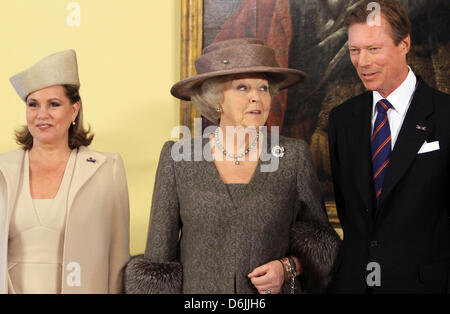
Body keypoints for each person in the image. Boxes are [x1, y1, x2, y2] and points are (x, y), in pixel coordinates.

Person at [125, 38, 340, 294]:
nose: (256, 98)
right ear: (217, 99)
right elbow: (159, 261)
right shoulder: (178, 157)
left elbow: (320, 245)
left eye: (262, 88)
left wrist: (286, 268)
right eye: (242, 88)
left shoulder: (292, 156)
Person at [328, 0, 450, 293]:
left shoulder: (445, 115)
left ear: (404, 44)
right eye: (355, 51)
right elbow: (350, 210)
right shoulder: (341, 119)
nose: (362, 62)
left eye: (373, 49)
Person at [0, 50, 130, 293]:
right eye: (33, 105)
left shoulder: (106, 169)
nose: (41, 115)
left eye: (54, 104)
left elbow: (118, 260)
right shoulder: (2, 171)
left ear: (73, 110)